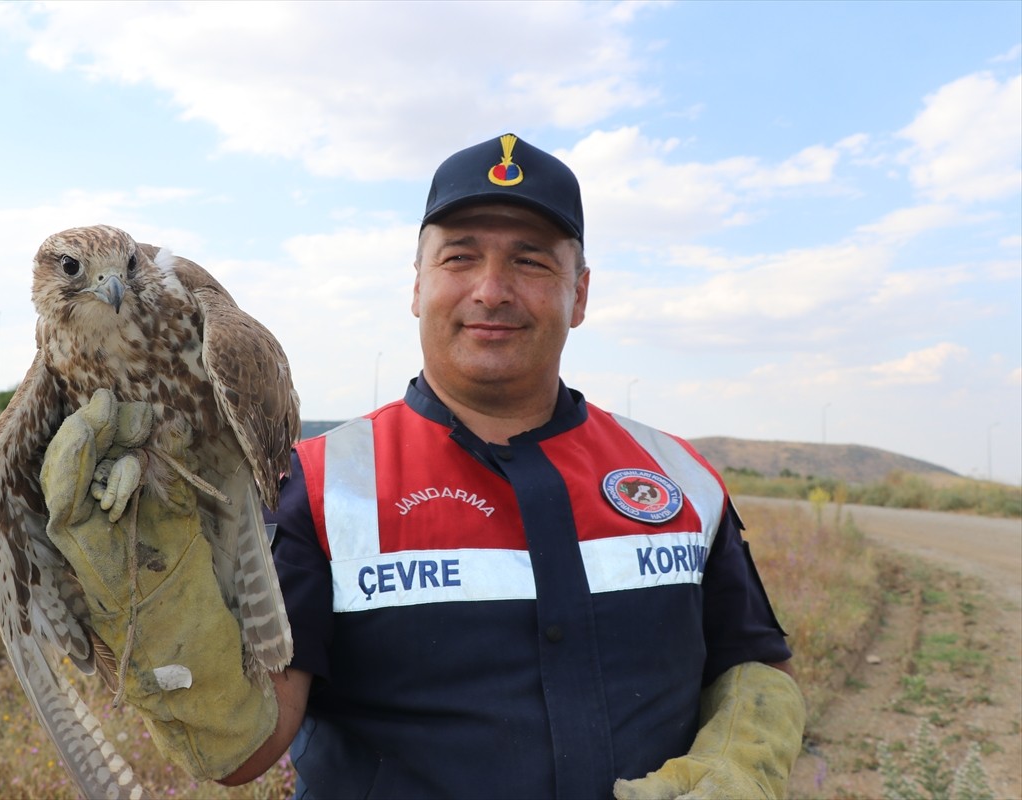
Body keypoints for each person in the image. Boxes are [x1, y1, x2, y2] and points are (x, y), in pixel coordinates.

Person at [44, 133, 806, 799]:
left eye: (532, 261)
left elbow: (755, 661)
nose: (492, 290)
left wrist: (743, 763)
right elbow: (246, 748)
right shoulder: (317, 484)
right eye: (460, 257)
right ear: (417, 286)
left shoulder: (678, 477)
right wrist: (161, 611)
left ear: (580, 295)